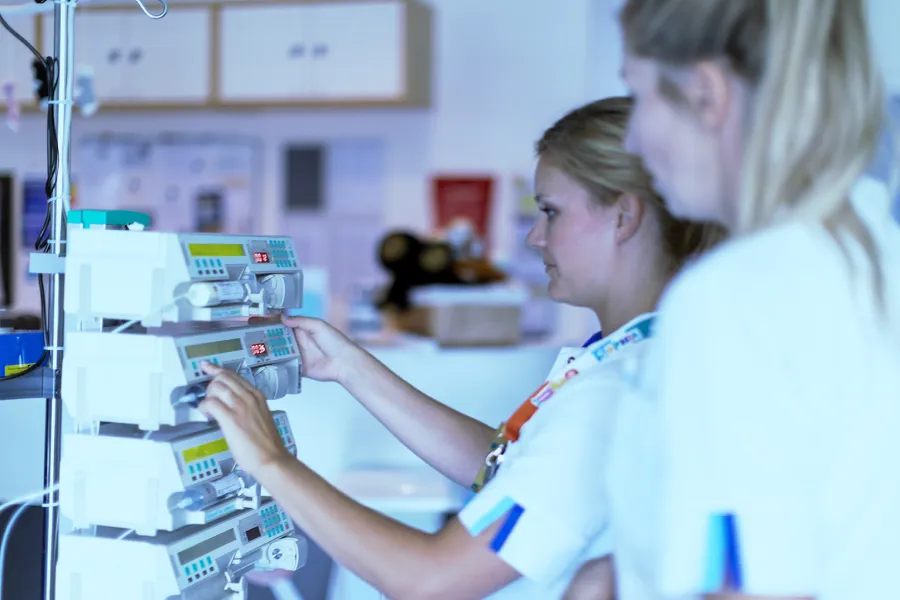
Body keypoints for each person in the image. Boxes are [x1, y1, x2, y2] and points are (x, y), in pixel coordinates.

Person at [196, 97, 722, 599]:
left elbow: (429, 581)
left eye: (551, 211)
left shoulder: (612, 394)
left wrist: (267, 460)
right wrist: (349, 366)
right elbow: (506, 465)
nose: (535, 237)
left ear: (624, 217)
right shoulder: (642, 355)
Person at [576, 1, 900, 599]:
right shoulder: (875, 252)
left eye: (639, 96)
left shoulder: (733, 298)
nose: (634, 140)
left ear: (707, 95)